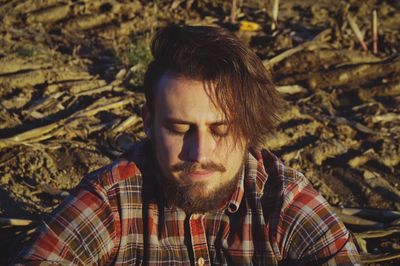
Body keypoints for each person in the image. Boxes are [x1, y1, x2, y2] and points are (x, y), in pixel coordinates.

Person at [14, 25, 361, 265]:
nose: (200, 154)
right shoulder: (112, 201)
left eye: (222, 130)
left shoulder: (283, 202)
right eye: (180, 129)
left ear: (251, 128)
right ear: (148, 121)